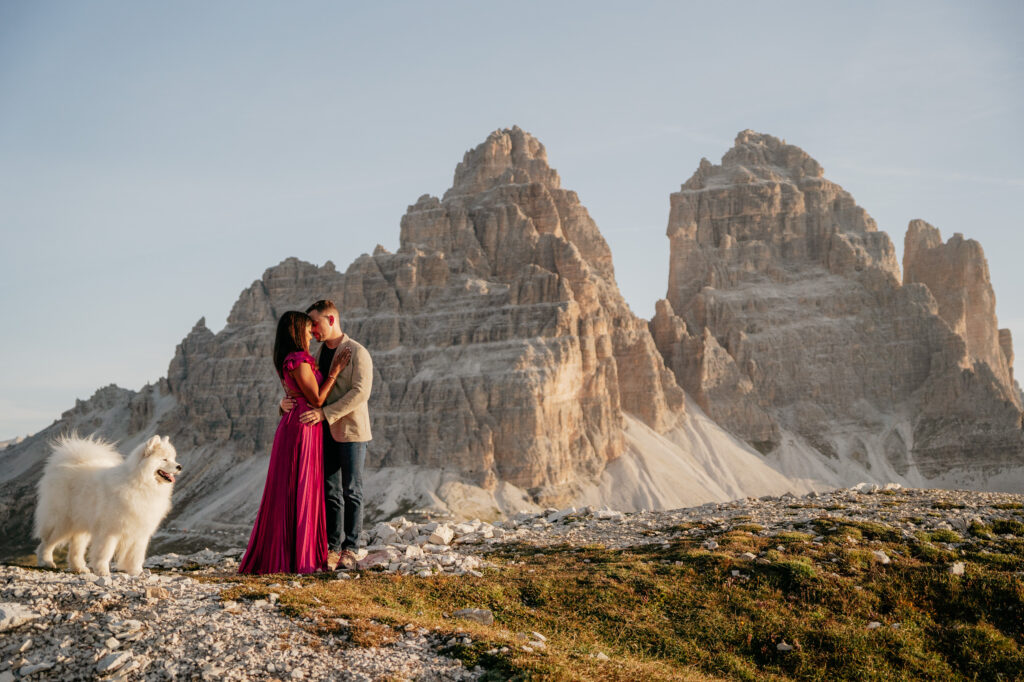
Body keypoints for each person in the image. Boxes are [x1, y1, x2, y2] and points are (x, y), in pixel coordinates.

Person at [239, 311, 349, 574]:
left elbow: (295, 394)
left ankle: (288, 555)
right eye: (307, 329)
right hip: (303, 427)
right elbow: (317, 400)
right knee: (300, 488)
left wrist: (283, 404)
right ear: (297, 331)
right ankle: (299, 558)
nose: (312, 333)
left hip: (296, 425)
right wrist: (334, 371)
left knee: (290, 490)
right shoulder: (299, 360)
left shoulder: (288, 358)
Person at [282, 300, 372, 571]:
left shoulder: (357, 352)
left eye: (315, 324)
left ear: (331, 320)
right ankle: (332, 548)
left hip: (352, 432)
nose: (312, 330)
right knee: (329, 492)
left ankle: (351, 548)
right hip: (322, 433)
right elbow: (304, 387)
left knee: (352, 491)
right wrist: (283, 403)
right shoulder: (317, 354)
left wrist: (325, 414)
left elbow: (360, 393)